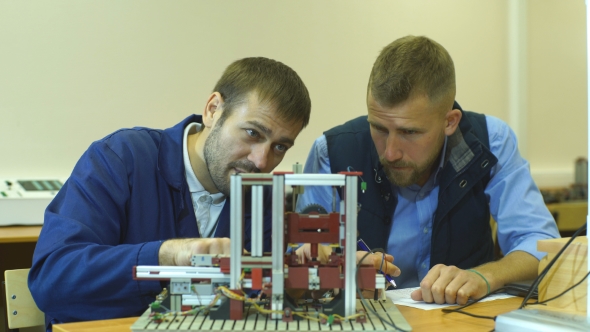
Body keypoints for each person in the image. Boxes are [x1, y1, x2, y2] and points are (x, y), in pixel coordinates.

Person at [28, 57, 311, 328]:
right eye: (252, 133)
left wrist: (296, 279)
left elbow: (254, 303)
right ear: (213, 110)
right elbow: (52, 278)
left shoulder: (262, 198)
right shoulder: (121, 158)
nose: (262, 161)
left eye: (280, 147)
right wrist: (167, 256)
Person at [296, 35, 560, 305]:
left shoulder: (490, 142)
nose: (390, 152)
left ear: (450, 122)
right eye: (378, 128)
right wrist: (330, 266)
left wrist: (485, 276)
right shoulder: (332, 153)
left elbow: (541, 243)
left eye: (409, 132)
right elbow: (298, 258)